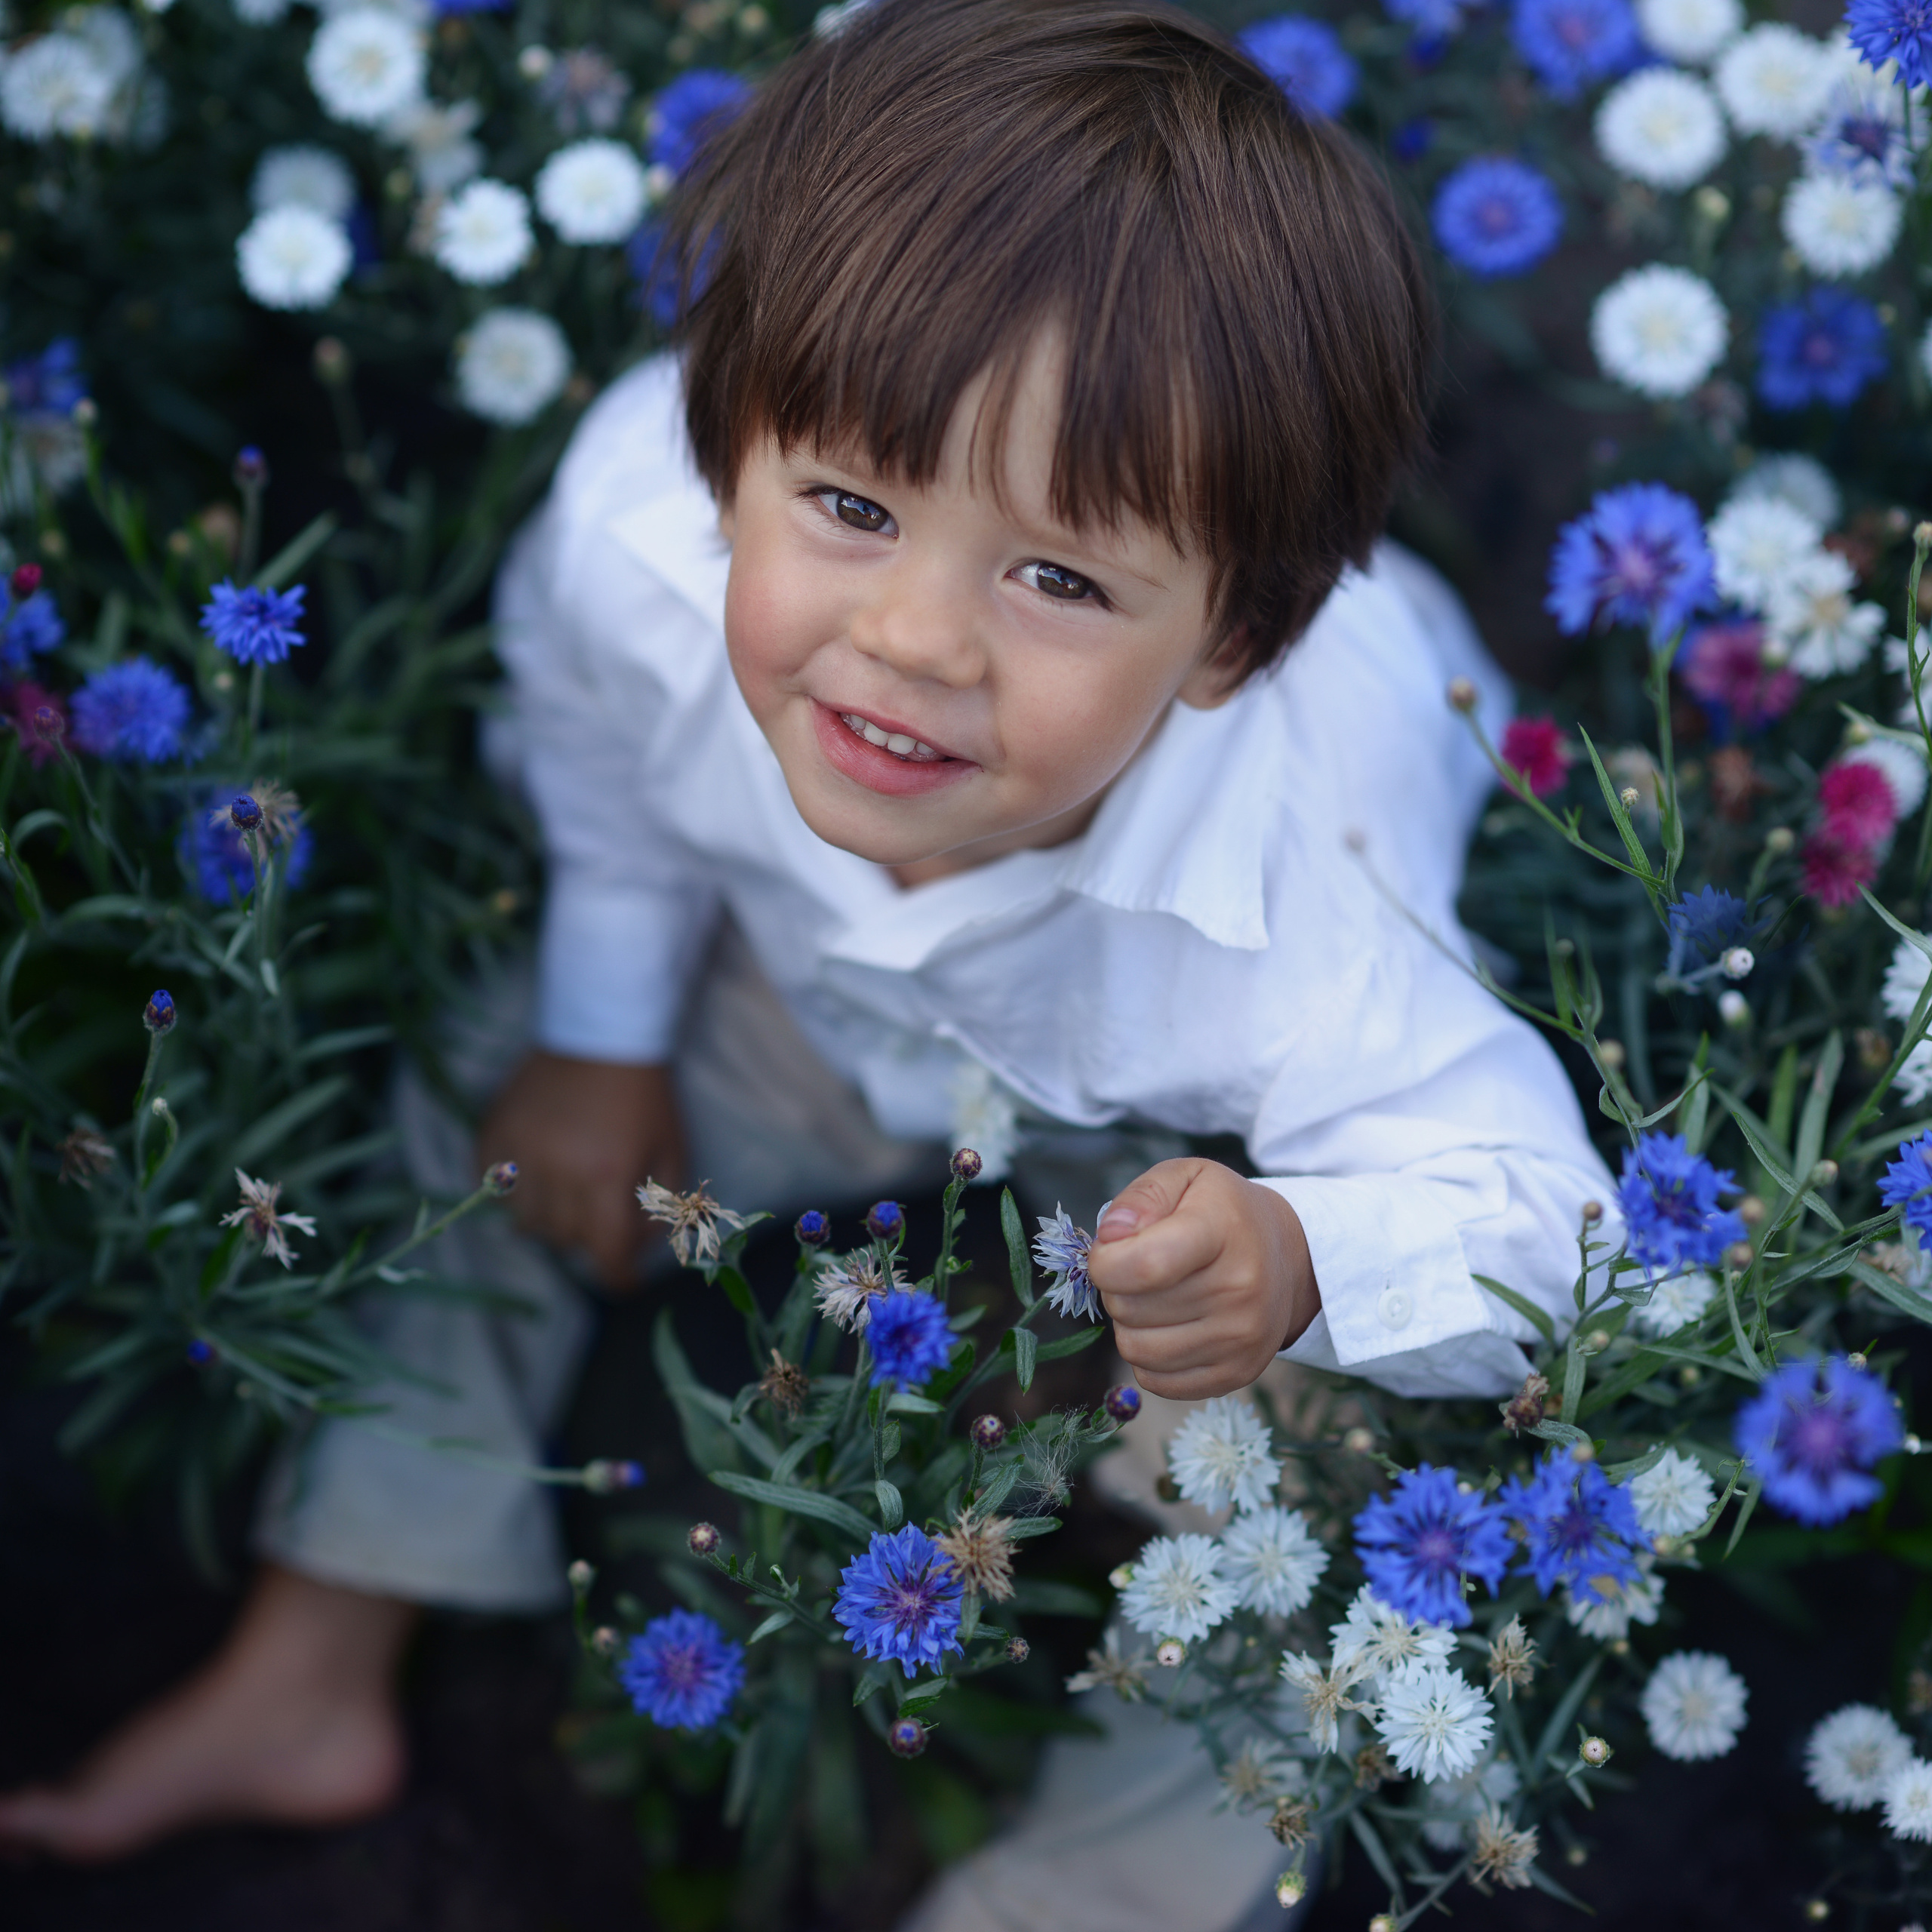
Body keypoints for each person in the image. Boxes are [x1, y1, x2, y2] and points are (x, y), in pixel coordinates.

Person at [0, 2, 1616, 1919]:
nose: (916, 637)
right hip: (809, 988)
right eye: (848, 506)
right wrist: (608, 1026)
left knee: (1343, 1514)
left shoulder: (1318, 894)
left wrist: (1297, 1260)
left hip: (1194, 1147)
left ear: (1231, 638)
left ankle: (1058, 1904)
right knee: (495, 1088)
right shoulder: (634, 534)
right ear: (721, 442)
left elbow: (1544, 1224)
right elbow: (600, 748)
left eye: (1058, 577)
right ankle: (324, 1639)